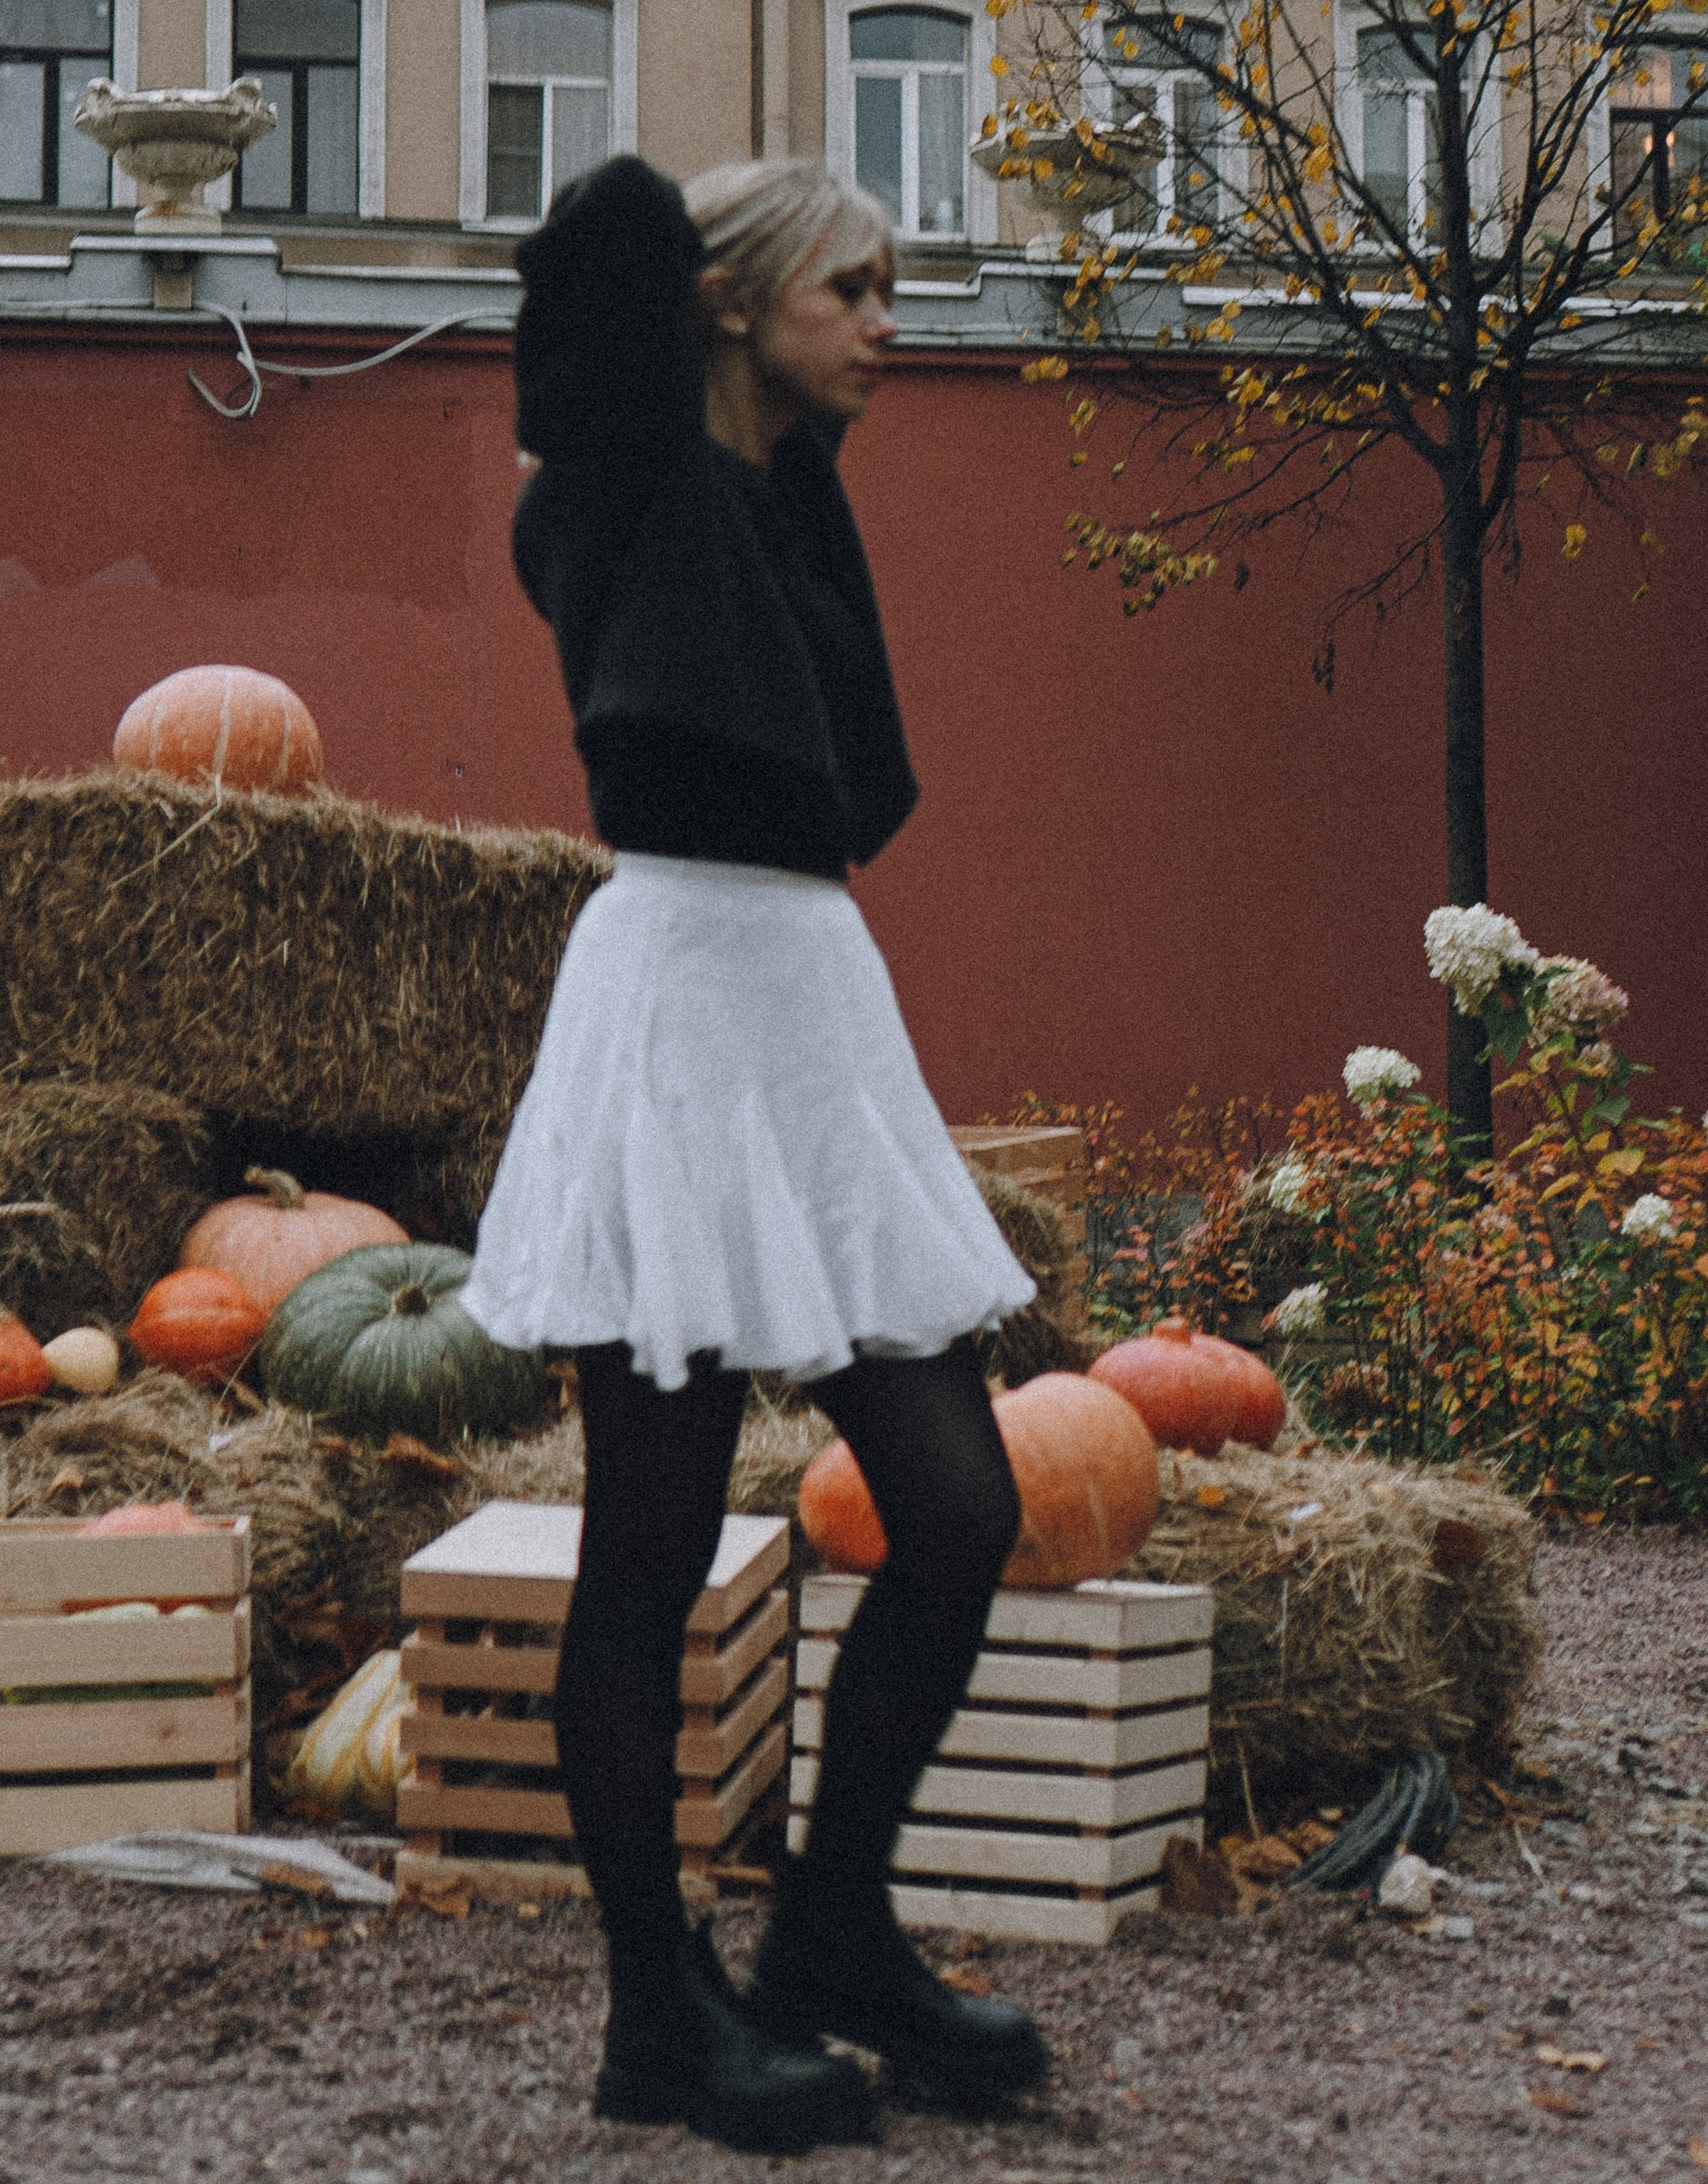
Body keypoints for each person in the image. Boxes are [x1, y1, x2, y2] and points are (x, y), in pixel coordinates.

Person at [461, 152, 1049, 2155]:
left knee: (957, 1502)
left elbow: (851, 776)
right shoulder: (618, 484)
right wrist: (712, 238)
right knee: (648, 1544)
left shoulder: (794, 494)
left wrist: (769, 313)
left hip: (808, 996)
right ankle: (658, 2015)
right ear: (724, 301)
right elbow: (597, 252)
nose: (889, 323)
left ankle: (829, 1936)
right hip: (678, 1001)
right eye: (850, 287)